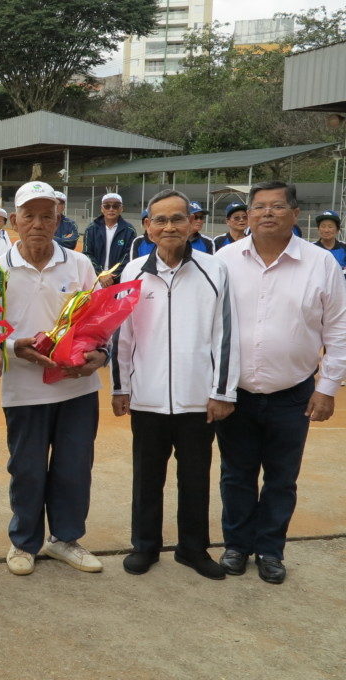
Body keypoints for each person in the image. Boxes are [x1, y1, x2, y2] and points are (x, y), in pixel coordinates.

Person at [215, 181, 346, 584]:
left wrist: (327, 387)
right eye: (258, 207)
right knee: (235, 475)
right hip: (234, 393)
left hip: (294, 394)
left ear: (295, 213)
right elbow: (208, 325)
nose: (266, 213)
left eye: (276, 206)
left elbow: (338, 329)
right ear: (247, 215)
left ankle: (270, 550)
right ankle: (236, 546)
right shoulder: (224, 260)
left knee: (281, 478)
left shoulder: (320, 263)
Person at [112, 189, 238, 580]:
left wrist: (222, 392)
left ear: (192, 223)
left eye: (177, 219)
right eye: (160, 220)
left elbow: (225, 334)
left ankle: (193, 549)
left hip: (197, 399)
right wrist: (120, 387)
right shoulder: (132, 272)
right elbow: (123, 334)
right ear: (148, 227)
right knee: (147, 477)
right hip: (147, 398)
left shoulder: (213, 269)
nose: (170, 227)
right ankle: (144, 546)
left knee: (196, 478)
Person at [0, 181, 108, 577]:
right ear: (14, 220)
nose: (39, 223)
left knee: (74, 466)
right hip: (24, 388)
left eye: (48, 216)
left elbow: (98, 321)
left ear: (59, 220)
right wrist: (14, 347)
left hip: (76, 386)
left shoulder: (79, 265)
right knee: (26, 469)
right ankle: (23, 543)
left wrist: (99, 354)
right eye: (29, 215)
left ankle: (66, 539)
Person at [83, 192, 136, 286]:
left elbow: (128, 256)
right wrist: (101, 275)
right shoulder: (91, 229)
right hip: (95, 279)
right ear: (102, 209)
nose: (111, 209)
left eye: (115, 206)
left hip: (118, 280)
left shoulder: (129, 230)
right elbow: (87, 254)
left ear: (121, 209)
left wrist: (112, 276)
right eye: (107, 206)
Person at [312, 210, 346, 275]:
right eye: (323, 226)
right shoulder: (310, 248)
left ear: (337, 230)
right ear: (318, 229)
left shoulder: (344, 248)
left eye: (330, 227)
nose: (326, 230)